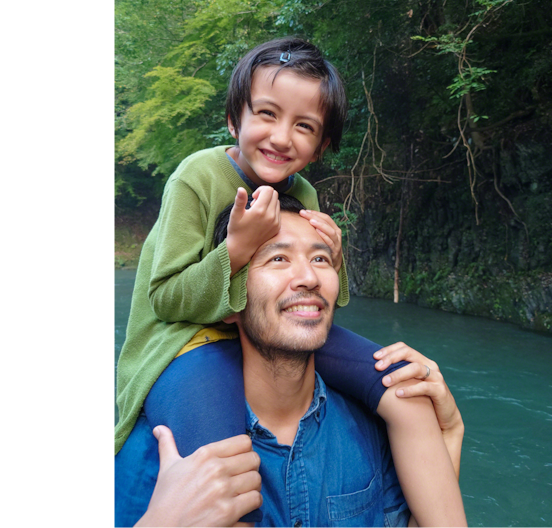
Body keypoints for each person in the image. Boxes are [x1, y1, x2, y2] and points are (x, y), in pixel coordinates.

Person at [113, 38, 464, 525]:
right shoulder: (197, 176)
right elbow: (166, 298)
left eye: (304, 126)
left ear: (320, 146)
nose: (281, 137)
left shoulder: (302, 191)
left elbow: (312, 298)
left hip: (261, 321)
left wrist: (333, 260)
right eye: (267, 114)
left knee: (405, 394)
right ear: (235, 118)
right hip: (182, 340)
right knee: (227, 475)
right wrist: (236, 250)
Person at [113, 195, 466, 527]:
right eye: (278, 259)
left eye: (320, 259)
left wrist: (449, 436)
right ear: (226, 302)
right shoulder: (166, 455)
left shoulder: (379, 427)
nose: (309, 278)